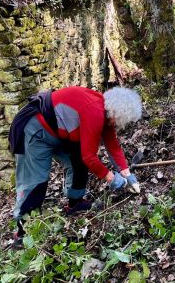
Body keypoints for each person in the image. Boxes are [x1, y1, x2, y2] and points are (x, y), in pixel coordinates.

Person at [8, 86, 142, 240]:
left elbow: (112, 144)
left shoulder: (105, 111)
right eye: (121, 121)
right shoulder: (95, 112)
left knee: (77, 161)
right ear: (118, 114)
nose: (120, 125)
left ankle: (75, 203)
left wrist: (127, 173)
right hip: (34, 128)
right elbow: (89, 156)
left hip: (58, 130)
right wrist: (112, 178)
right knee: (35, 181)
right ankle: (23, 232)